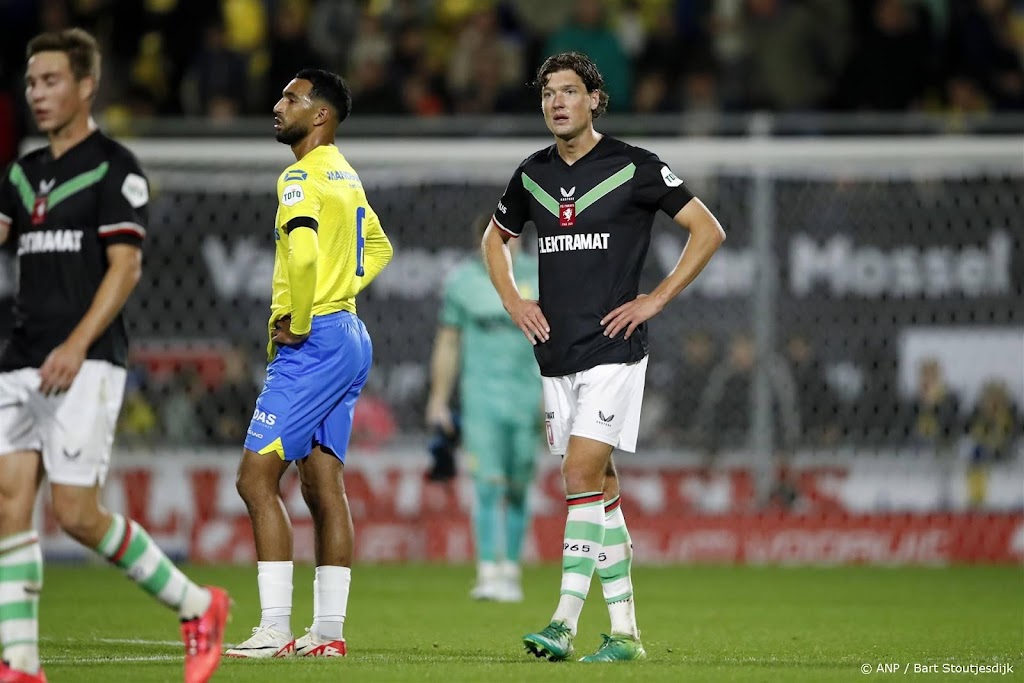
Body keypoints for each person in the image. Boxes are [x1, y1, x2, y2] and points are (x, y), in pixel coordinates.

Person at [0, 29, 229, 683]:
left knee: (74, 512)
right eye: (31, 81)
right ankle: (20, 661)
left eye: (50, 80)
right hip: (20, 358)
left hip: (87, 359)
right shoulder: (23, 172)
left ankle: (198, 604)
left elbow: (125, 268)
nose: (37, 93)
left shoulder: (114, 167)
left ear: (85, 85)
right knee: (9, 506)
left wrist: (76, 343)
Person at [482, 51, 725, 662]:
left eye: (569, 91)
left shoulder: (635, 166)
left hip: (614, 349)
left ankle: (563, 622)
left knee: (580, 474)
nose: (556, 102)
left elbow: (708, 230)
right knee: (601, 487)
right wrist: (513, 298)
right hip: (555, 353)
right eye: (547, 94)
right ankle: (625, 634)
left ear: (595, 99)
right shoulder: (531, 173)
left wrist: (658, 298)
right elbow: (495, 238)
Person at [226, 68, 393, 660]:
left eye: (291, 99)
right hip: (349, 334)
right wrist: (339, 289)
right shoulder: (345, 175)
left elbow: (298, 252)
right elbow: (380, 248)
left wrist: (300, 316)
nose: (277, 105)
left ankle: (273, 628)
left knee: (255, 479)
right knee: (323, 485)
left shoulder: (299, 177)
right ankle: (328, 632)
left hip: (314, 339)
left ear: (319, 115)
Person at [425, 213, 541, 602]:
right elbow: (448, 342)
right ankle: (489, 571)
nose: (508, 247)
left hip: (530, 398)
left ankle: (512, 569)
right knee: (488, 484)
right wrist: (439, 398)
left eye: (513, 239)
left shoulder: (542, 277)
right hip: (482, 399)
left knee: (520, 484)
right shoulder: (464, 282)